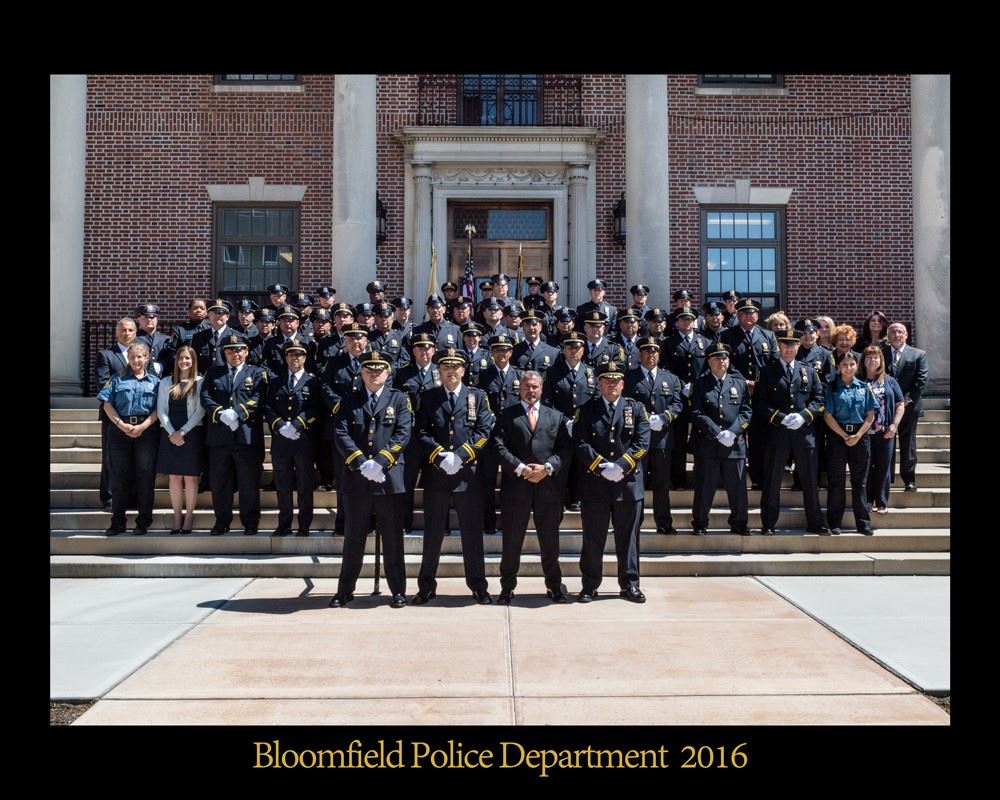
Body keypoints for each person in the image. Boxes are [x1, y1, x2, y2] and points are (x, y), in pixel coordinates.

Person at [329, 351, 413, 609]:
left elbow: (403, 432)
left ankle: (397, 590)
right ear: (362, 372)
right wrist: (360, 461)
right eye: (369, 370)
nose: (374, 374)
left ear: (387, 373)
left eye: (379, 370)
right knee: (354, 538)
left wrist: (380, 461)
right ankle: (345, 590)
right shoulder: (348, 400)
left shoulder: (399, 399)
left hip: (389, 478)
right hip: (357, 479)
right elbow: (340, 432)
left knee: (392, 539)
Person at [413, 348, 495, 606]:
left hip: (467, 475)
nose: (451, 371)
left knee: (472, 533)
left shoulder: (478, 396)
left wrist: (461, 455)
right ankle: (426, 586)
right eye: (446, 367)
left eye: (456, 367)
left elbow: (484, 430)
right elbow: (421, 431)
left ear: (464, 370)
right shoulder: (428, 397)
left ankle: (478, 586)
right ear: (439, 370)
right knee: (433, 533)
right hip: (437, 474)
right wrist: (439, 456)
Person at [573, 360, 650, 603]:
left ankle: (630, 585)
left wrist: (621, 466)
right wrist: (601, 466)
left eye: (616, 380)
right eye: (606, 380)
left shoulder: (635, 408)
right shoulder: (587, 409)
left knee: (628, 539)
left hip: (627, 484)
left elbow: (642, 442)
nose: (611, 385)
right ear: (599, 383)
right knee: (593, 537)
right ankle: (589, 585)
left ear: (622, 383)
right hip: (596, 483)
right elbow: (580, 442)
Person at [493, 370, 573, 604]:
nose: (531, 390)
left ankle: (554, 586)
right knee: (512, 541)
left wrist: (547, 468)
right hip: (516, 487)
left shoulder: (555, 417)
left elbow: (564, 450)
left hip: (548, 488)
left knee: (550, 541)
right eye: (527, 386)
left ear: (542, 389)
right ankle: (507, 587)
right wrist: (520, 468)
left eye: (535, 386)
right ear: (520, 388)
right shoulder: (506, 415)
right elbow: (498, 447)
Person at [758, 331, 827, 535]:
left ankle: (816, 522)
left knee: (810, 481)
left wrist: (804, 416)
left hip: (804, 433)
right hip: (777, 433)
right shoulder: (767, 371)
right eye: (785, 345)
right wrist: (780, 418)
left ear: (798, 347)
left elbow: (820, 400)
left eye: (793, 345)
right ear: (779, 346)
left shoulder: (809, 371)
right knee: (772, 479)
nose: (789, 348)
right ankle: (768, 523)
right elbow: (760, 404)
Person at [200, 334, 268, 535]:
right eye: (230, 350)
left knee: (248, 482)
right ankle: (221, 521)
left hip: (246, 437)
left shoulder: (256, 372)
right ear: (224, 353)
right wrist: (220, 413)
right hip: (219, 437)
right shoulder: (213, 372)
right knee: (220, 482)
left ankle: (250, 522)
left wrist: (237, 413)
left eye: (239, 349)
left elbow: (258, 397)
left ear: (246, 351)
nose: (235, 354)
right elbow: (205, 396)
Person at [97, 341, 160, 536]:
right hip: (120, 431)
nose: (136, 360)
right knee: (119, 477)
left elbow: (159, 409)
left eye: (140, 356)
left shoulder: (156, 382)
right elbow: (107, 404)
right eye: (133, 357)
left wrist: (143, 426)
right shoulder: (117, 379)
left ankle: (143, 521)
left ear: (146, 358)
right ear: (129, 359)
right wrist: (121, 425)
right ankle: (117, 522)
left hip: (146, 431)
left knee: (145, 476)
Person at [689, 342, 752, 536]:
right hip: (708, 444)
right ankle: (700, 523)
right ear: (709, 361)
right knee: (704, 487)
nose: (721, 361)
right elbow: (696, 412)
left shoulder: (739, 383)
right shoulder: (699, 384)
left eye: (724, 357)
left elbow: (746, 411)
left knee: (738, 488)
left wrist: (733, 432)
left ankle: (739, 523)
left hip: (734, 445)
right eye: (717, 357)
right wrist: (716, 432)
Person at [624, 337, 684, 534]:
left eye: (654, 352)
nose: (651, 355)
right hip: (637, 440)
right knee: (636, 484)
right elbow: (625, 404)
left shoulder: (671, 378)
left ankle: (664, 521)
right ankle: (634, 523)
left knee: (662, 483)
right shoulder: (628, 377)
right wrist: (642, 418)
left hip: (662, 439)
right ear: (640, 354)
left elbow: (677, 404)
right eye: (647, 351)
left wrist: (665, 418)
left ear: (659, 355)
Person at [265, 340, 323, 537]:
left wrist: (298, 424)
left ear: (305, 357)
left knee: (305, 485)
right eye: (290, 354)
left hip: (303, 441)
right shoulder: (275, 382)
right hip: (281, 441)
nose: (294, 358)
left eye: (298, 355)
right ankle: (284, 524)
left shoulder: (313, 382)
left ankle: (304, 524)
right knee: (282, 484)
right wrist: (280, 425)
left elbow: (316, 408)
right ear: (286, 357)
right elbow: (268, 408)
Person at [721, 298, 778, 490]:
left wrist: (761, 384)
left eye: (752, 312)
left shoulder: (768, 335)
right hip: (736, 392)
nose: (748, 315)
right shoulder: (727, 335)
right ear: (738, 315)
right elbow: (726, 363)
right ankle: (731, 479)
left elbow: (773, 363)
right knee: (735, 435)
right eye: (744, 312)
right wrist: (744, 382)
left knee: (759, 437)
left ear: (757, 315)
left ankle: (757, 478)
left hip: (761, 394)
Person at [541, 331, 597, 512]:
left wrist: (581, 422)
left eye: (578, 347)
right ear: (563, 350)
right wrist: (564, 420)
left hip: (582, 427)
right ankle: (558, 499)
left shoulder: (590, 372)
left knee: (581, 464)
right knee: (561, 463)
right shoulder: (553, 372)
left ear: (583, 350)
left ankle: (577, 498)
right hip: (559, 427)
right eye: (570, 347)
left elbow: (594, 400)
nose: (574, 351)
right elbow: (547, 401)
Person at [823, 350, 878, 535]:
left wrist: (857, 435)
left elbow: (870, 415)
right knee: (837, 480)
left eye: (852, 364)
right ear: (838, 367)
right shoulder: (831, 387)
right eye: (844, 365)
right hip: (837, 436)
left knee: (859, 482)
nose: (848, 368)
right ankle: (834, 522)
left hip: (860, 437)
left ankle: (863, 523)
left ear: (857, 366)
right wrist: (843, 435)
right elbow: (828, 415)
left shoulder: (864, 387)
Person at [390, 333, 440, 532]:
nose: (424, 351)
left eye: (428, 347)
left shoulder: (441, 371)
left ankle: (437, 525)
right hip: (409, 437)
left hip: (433, 436)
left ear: (433, 350)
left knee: (435, 485)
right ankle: (405, 523)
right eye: (420, 347)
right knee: (407, 482)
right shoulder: (401, 374)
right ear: (413, 351)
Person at [154, 344, 205, 534]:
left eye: (188, 359)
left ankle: (189, 516)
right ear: (176, 361)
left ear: (193, 361)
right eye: (181, 358)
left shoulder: (200, 381)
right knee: (174, 477)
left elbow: (200, 411)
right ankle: (177, 515)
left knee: (191, 478)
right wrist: (171, 432)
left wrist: (182, 432)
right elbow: (161, 410)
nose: (184, 361)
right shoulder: (166, 382)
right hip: (169, 434)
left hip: (191, 433)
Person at [478, 333, 522, 534]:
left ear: (511, 352)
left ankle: (508, 521)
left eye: (504, 350)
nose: (501, 354)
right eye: (496, 350)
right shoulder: (482, 376)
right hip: (488, 436)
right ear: (491, 353)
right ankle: (487, 522)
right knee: (486, 482)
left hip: (511, 437)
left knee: (511, 482)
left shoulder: (519, 376)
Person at [95, 318, 138, 509]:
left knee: (134, 459)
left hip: (138, 416)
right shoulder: (106, 355)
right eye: (123, 330)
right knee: (111, 458)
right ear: (116, 332)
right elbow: (103, 383)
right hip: (113, 415)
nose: (126, 333)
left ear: (135, 333)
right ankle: (109, 496)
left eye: (130, 330)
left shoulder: (140, 355)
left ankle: (131, 497)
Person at [862, 345, 906, 514]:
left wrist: (894, 425)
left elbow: (900, 404)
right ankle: (866, 501)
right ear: (863, 361)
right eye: (869, 357)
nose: (873, 360)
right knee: (865, 467)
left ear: (881, 360)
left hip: (886, 432)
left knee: (883, 467)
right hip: (864, 433)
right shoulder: (858, 380)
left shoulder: (890, 381)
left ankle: (881, 502)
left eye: (876, 357)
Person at [885, 322, 929, 492]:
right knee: (886, 442)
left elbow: (921, 380)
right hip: (886, 408)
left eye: (900, 332)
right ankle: (886, 478)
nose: (897, 335)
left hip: (910, 406)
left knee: (908, 443)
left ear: (906, 335)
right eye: (893, 332)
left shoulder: (918, 354)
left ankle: (909, 479)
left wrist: (905, 400)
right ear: (888, 336)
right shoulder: (880, 354)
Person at [159, 296, 209, 374]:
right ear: (189, 311)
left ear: (206, 312)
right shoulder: (180, 330)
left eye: (202, 308)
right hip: (187, 371)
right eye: (195, 308)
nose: (199, 310)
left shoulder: (211, 329)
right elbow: (172, 353)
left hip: (207, 372)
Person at [134, 303, 169, 375]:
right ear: (138, 319)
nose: (149, 319)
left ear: (157, 319)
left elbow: (171, 359)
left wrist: (162, 365)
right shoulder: (133, 339)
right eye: (146, 317)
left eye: (152, 317)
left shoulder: (166, 339)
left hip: (162, 380)